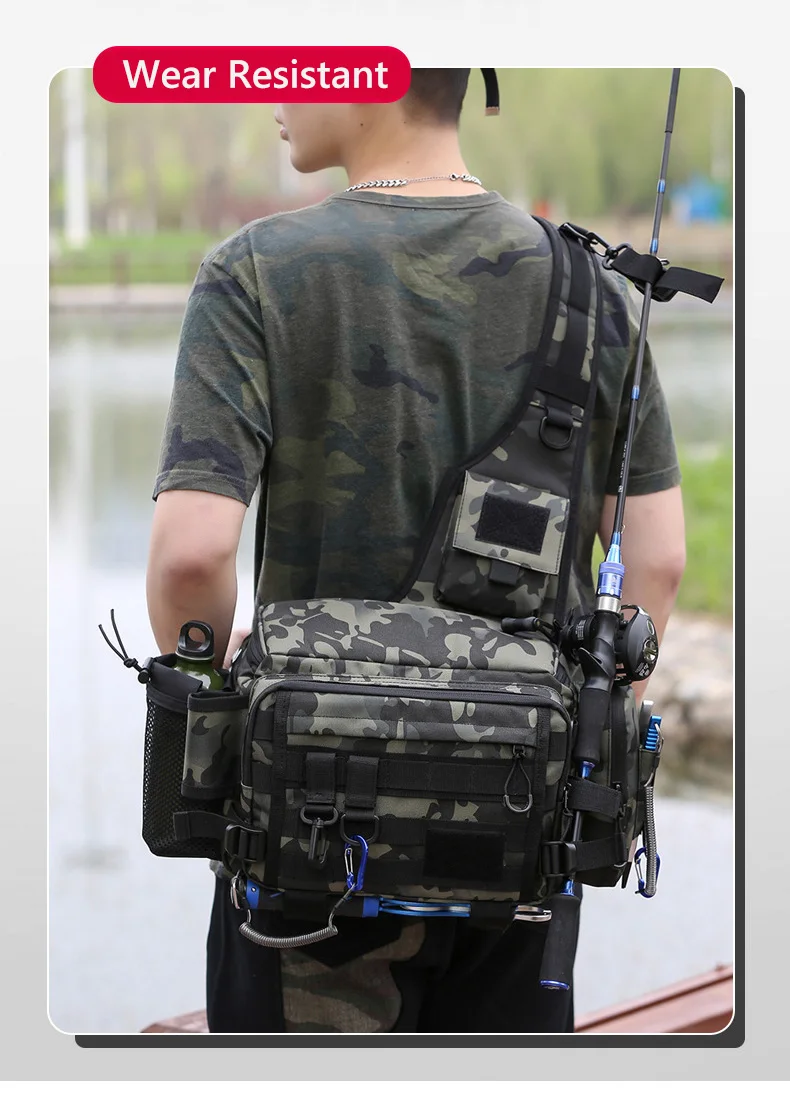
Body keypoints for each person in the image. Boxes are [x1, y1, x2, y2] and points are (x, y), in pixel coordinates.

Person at [146, 69, 686, 1034]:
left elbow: (192, 554)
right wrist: (577, 737)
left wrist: (214, 704)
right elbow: (660, 560)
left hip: (307, 842)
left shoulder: (256, 269)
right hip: (519, 844)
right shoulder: (593, 288)